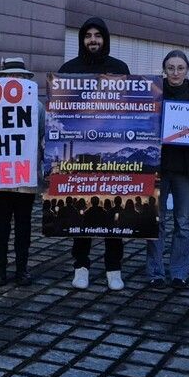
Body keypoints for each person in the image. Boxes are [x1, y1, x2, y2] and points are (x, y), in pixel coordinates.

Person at [59, 17, 130, 291]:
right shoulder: (69, 69)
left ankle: (114, 268)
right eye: (88, 35)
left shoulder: (119, 69)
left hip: (112, 153)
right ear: (81, 40)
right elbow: (60, 111)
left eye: (97, 35)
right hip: (80, 154)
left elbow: (131, 107)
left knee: (114, 211)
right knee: (82, 212)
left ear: (105, 39)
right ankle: (81, 266)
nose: (93, 40)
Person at [147, 50, 189, 288]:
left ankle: (179, 271)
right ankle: (155, 271)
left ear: (188, 69)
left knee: (183, 221)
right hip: (159, 165)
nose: (175, 72)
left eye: (180, 68)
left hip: (186, 166)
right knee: (156, 220)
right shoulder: (152, 93)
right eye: (170, 68)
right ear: (165, 69)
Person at [0, 57, 42, 287]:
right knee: (0, 223)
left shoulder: (37, 107)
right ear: (2, 80)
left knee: (23, 224)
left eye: (19, 77)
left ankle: (22, 268)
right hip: (0, 176)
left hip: (25, 176)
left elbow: (42, 137)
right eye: (10, 76)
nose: (15, 80)